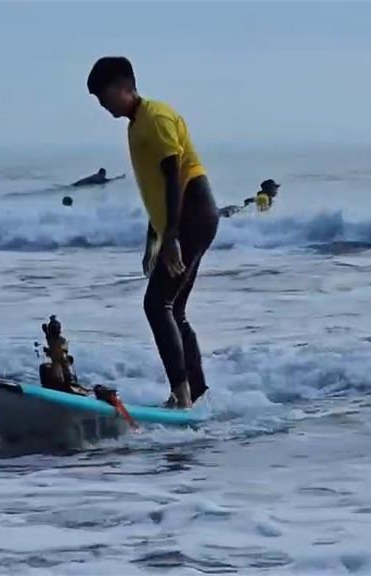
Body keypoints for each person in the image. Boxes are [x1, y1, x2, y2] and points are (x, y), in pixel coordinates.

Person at [87, 56, 218, 408]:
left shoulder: (155, 118)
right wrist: (155, 239)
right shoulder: (137, 124)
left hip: (193, 213)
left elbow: (174, 177)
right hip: (187, 218)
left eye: (105, 97)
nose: (103, 105)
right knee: (173, 308)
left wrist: (172, 237)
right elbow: (157, 190)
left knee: (156, 304)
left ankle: (182, 395)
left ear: (125, 87)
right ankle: (197, 391)